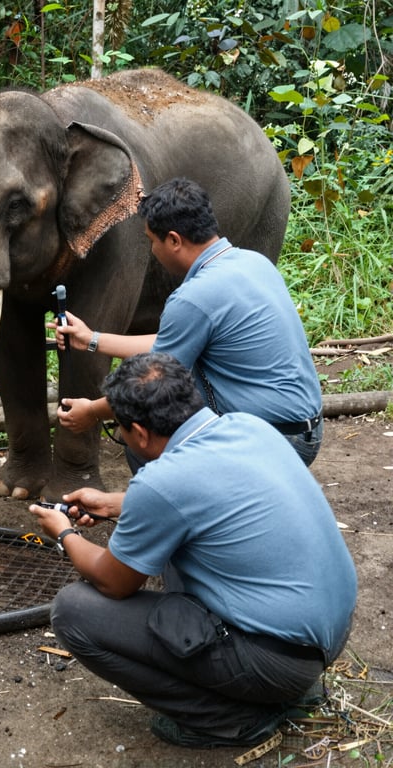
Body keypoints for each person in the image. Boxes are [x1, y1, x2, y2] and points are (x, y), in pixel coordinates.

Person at [30, 352, 356, 749]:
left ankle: (230, 719)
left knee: (72, 612)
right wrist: (116, 504)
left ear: (140, 433)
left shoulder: (162, 483)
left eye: (120, 431)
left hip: (277, 662)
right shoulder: (248, 426)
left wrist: (65, 533)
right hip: (327, 634)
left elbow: (115, 583)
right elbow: (204, 496)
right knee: (176, 545)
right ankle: (287, 690)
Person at [51, 177, 324, 467]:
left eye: (152, 242)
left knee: (147, 440)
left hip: (272, 440)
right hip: (306, 431)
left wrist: (92, 412)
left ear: (174, 240)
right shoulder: (253, 263)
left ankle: (185, 498)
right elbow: (169, 345)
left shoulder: (193, 297)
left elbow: (152, 384)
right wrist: (91, 339)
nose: (152, 251)